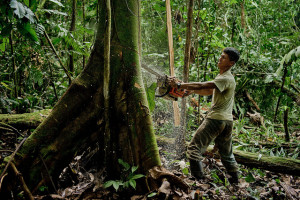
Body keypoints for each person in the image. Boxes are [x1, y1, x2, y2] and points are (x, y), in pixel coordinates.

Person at [168, 47, 240, 184]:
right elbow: (208, 90)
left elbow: (203, 84)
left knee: (193, 148)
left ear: (231, 63)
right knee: (226, 153)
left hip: (216, 119)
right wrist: (189, 90)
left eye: (223, 57)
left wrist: (180, 84)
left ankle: (198, 180)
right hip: (227, 121)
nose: (220, 58)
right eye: (221, 56)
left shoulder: (226, 78)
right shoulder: (224, 78)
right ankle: (236, 180)